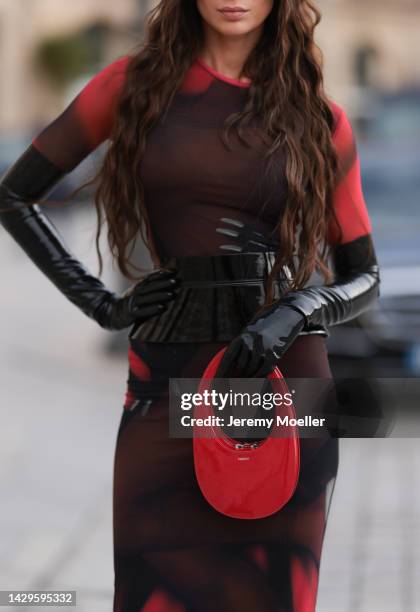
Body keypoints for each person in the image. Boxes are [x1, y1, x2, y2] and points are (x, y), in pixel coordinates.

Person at [0, 1, 379, 610]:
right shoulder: (132, 86)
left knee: (270, 597)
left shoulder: (319, 118)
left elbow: (365, 276)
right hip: (167, 373)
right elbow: (15, 196)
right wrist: (101, 305)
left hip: (286, 387)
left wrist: (298, 310)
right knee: (155, 594)